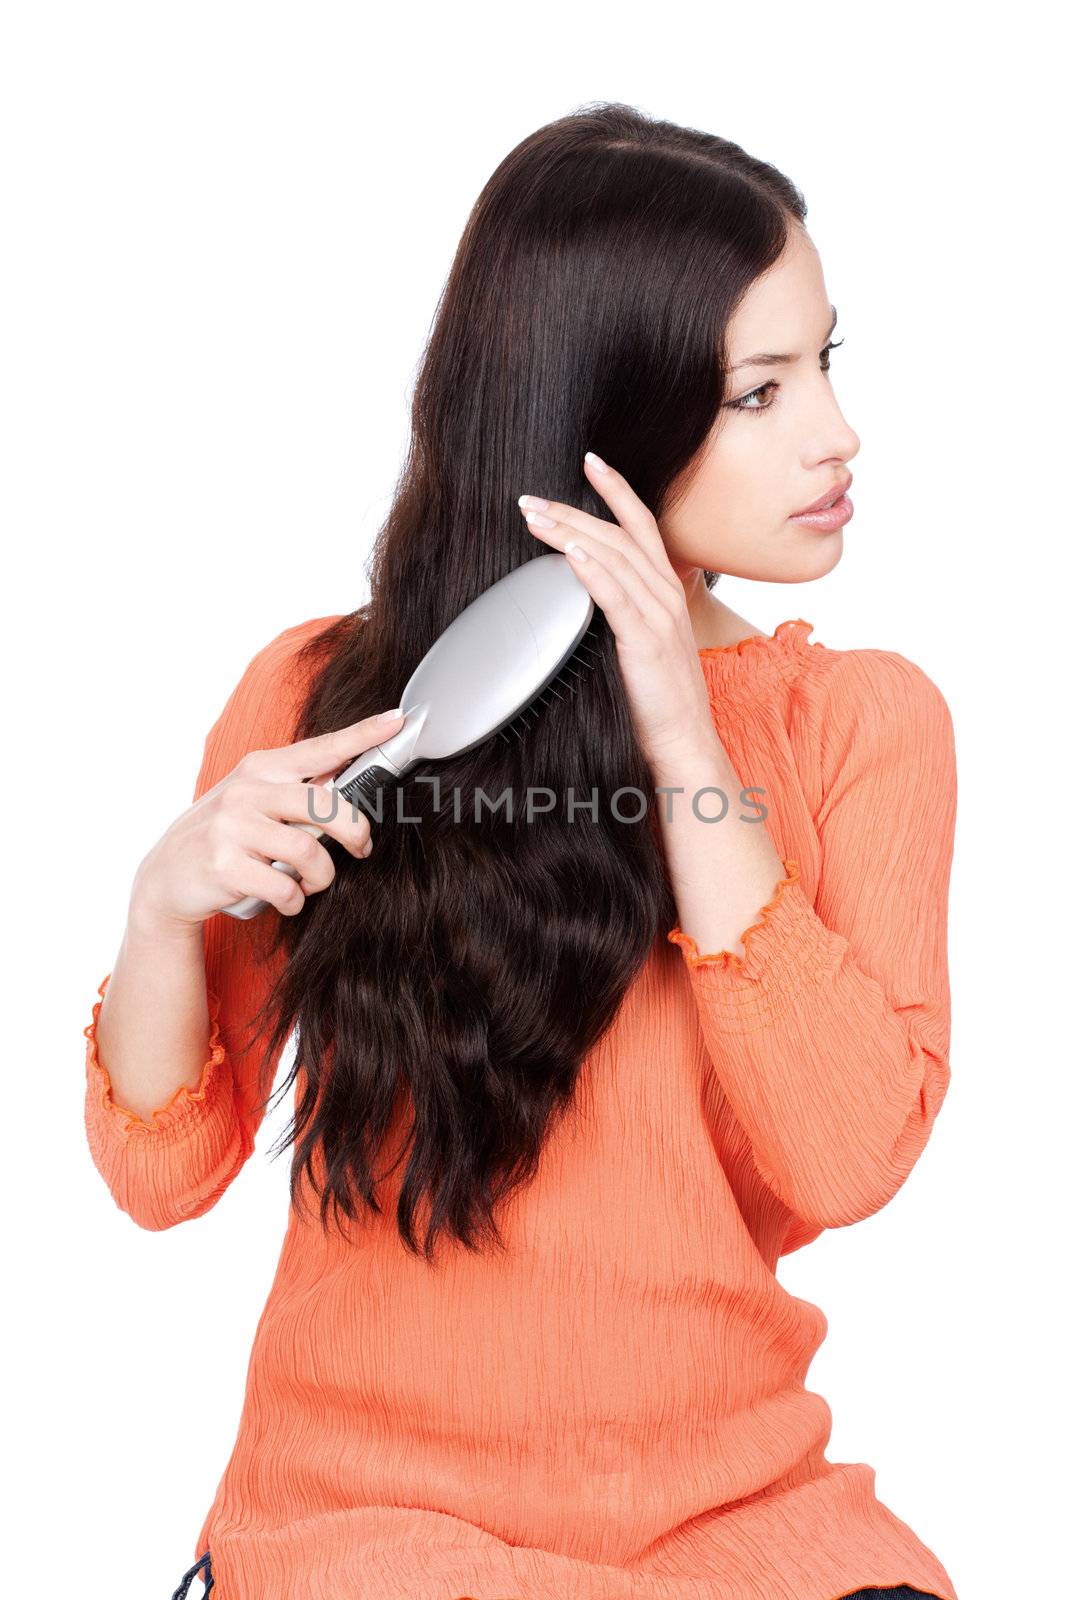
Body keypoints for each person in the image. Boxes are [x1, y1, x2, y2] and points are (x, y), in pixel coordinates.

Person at [84, 103, 959, 1600]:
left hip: (732, 1520)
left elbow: (847, 1156)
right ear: (598, 412)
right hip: (370, 1531)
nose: (836, 433)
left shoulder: (856, 723)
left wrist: (684, 738)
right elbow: (163, 1176)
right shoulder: (326, 705)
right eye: (758, 392)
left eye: (826, 362)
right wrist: (162, 908)